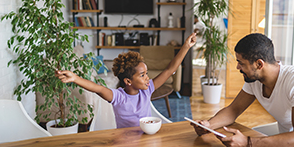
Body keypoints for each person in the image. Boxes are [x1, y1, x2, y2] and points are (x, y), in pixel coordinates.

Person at [190, 33, 294, 147]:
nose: (238, 68)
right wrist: (209, 125)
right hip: (289, 145)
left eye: (241, 63)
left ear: (259, 64)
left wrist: (248, 142)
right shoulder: (255, 80)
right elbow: (233, 110)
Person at [56, 33, 196, 128]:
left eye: (146, 73)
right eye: (142, 75)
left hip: (146, 137)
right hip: (125, 141)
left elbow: (169, 70)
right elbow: (97, 88)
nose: (147, 78)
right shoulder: (118, 97)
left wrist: (186, 46)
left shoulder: (147, 91)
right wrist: (74, 78)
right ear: (128, 81)